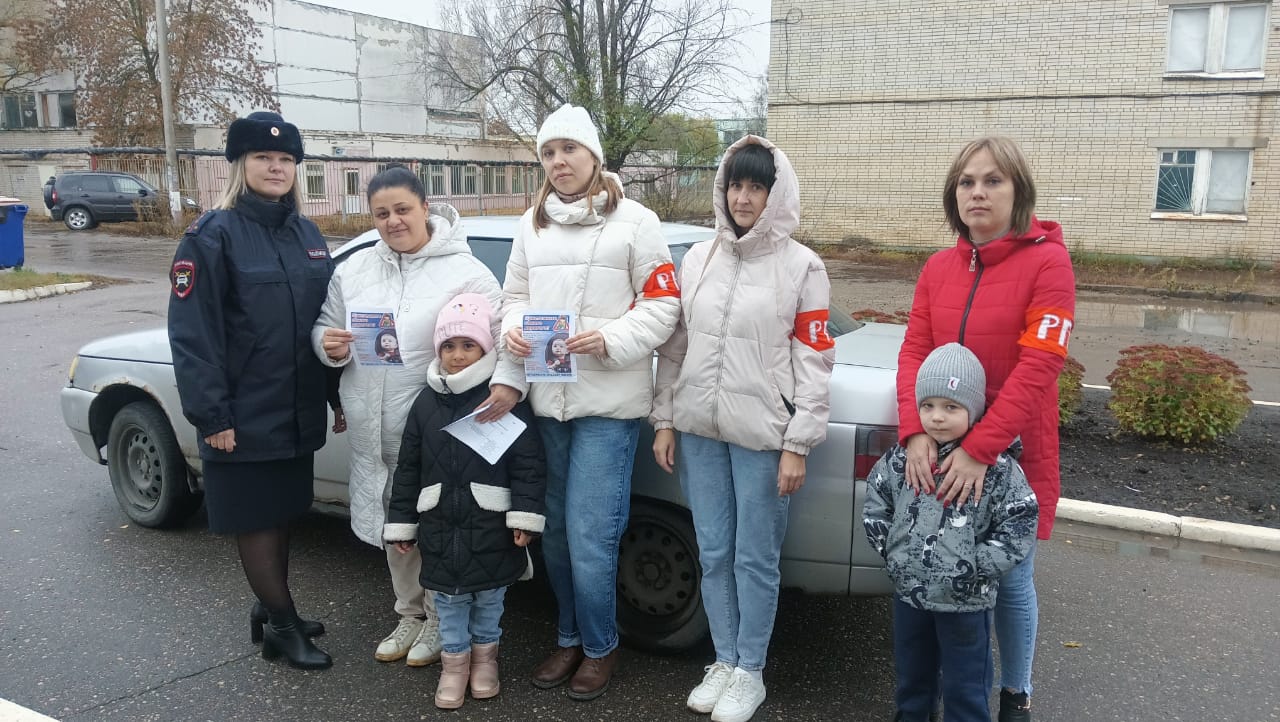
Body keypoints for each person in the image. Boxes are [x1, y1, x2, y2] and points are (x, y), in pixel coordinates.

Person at [478, 103, 680, 701]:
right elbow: (512, 297)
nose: (558, 161)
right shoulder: (530, 224)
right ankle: (568, 637)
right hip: (547, 406)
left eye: (569, 149)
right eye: (548, 152)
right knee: (558, 535)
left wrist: (611, 338)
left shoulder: (638, 222)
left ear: (594, 155)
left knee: (592, 537)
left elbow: (664, 306)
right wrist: (514, 329)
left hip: (607, 410)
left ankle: (599, 646)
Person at [649, 135, 834, 722]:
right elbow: (675, 347)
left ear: (776, 194)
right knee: (713, 552)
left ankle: (750, 669)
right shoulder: (698, 260)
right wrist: (665, 419)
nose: (744, 197)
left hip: (763, 438)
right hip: (700, 430)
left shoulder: (803, 266)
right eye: (736, 184)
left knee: (755, 558)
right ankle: (724, 660)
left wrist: (797, 443)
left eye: (757, 186)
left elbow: (814, 359)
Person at [896, 136, 1076, 722]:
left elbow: (1040, 365)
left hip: (1011, 452)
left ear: (1018, 191)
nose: (977, 192)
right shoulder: (938, 268)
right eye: (967, 182)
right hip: (940, 449)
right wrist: (914, 431)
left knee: (1010, 578)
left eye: (993, 181)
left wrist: (979, 448)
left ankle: (1015, 694)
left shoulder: (1048, 262)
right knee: (944, 569)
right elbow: (914, 352)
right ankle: (942, 693)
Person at [312, 165, 503, 669]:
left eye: (402, 209)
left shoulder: (465, 273)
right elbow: (325, 326)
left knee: (435, 527)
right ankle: (409, 613)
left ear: (425, 208)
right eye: (381, 213)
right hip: (371, 429)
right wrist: (327, 345)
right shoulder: (354, 269)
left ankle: (441, 618)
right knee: (394, 526)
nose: (393, 221)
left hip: (435, 432)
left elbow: (497, 343)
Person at [167, 111, 333, 670]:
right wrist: (212, 416)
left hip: (295, 408)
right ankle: (283, 625)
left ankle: (272, 609)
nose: (276, 167)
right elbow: (193, 336)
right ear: (240, 164)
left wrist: (333, 394)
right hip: (241, 414)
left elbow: (323, 323)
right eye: (263, 157)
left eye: (286, 159)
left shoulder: (307, 235)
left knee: (281, 512)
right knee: (256, 519)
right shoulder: (210, 236)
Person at [383, 293, 546, 710]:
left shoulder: (502, 399)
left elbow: (527, 463)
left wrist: (524, 517)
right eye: (449, 346)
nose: (457, 355)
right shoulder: (425, 403)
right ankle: (453, 667)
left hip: (490, 524)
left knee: (490, 599)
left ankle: (485, 661)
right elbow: (408, 466)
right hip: (439, 524)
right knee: (449, 601)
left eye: (469, 345)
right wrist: (402, 522)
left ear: (486, 350)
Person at [865, 343, 1038, 722]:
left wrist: (976, 566)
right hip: (911, 596)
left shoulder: (998, 469)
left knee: (966, 689)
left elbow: (1020, 521)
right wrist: (896, 554)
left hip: (966, 603)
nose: (937, 417)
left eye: (951, 407)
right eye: (927, 406)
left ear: (973, 410)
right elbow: (876, 503)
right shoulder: (903, 459)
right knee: (912, 682)